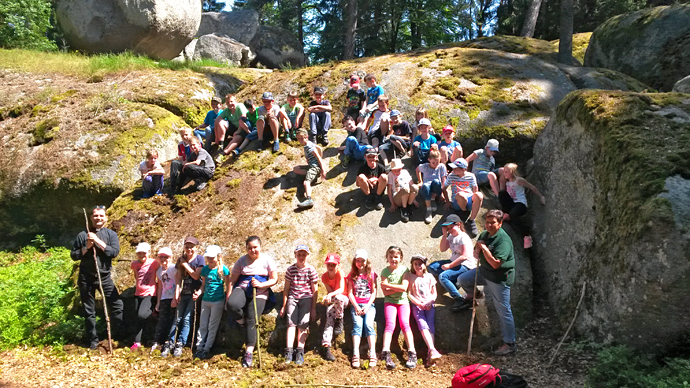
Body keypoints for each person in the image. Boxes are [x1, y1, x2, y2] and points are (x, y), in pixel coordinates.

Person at [456, 209, 517, 356]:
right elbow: (477, 256)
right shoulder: (484, 235)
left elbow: (496, 264)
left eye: (493, 223)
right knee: (463, 279)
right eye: (487, 222)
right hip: (484, 272)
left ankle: (510, 343)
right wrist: (478, 250)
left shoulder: (504, 241)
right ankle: (474, 296)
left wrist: (484, 249)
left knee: (503, 310)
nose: (489, 225)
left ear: (500, 224)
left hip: (499, 278)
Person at [70, 206, 123, 350]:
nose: (98, 218)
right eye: (95, 216)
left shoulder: (111, 234)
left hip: (104, 277)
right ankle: (93, 340)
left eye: (101, 216)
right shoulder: (82, 235)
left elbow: (114, 252)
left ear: (105, 218)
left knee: (117, 306)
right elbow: (74, 255)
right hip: (86, 278)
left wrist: (98, 242)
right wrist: (86, 247)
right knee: (89, 311)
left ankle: (114, 336)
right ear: (91, 218)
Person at [226, 236, 278, 368]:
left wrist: (262, 284)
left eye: (255, 247)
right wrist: (228, 296)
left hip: (260, 291)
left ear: (260, 247)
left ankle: (249, 351)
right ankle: (241, 323)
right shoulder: (242, 260)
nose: (252, 250)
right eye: (249, 248)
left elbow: (274, 279)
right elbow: (232, 280)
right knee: (232, 305)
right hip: (243, 287)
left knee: (252, 317)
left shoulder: (267, 260)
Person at [427, 214, 476, 312]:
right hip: (454, 261)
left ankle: (459, 299)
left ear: (458, 224)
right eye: (447, 228)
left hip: (465, 265)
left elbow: (464, 256)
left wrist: (450, 266)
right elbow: (442, 249)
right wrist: (445, 235)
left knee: (442, 276)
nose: (449, 230)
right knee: (432, 267)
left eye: (451, 227)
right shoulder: (450, 237)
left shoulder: (463, 237)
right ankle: (454, 282)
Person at [166, 236, 205, 357]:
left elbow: (196, 276)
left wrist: (185, 264)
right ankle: (170, 341)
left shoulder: (200, 259)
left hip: (194, 293)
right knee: (177, 318)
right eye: (187, 247)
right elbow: (178, 278)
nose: (189, 249)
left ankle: (181, 342)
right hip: (184, 292)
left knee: (187, 319)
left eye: (191, 247)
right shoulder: (180, 260)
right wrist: (176, 294)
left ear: (196, 248)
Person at [280, 244, 319, 365]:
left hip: (306, 298)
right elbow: (286, 289)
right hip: (293, 298)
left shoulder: (311, 270)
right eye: (299, 255)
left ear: (307, 255)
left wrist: (313, 308)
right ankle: (289, 351)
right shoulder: (290, 269)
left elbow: (315, 290)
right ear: (295, 255)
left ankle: (300, 351)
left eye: (303, 255)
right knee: (291, 324)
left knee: (303, 324)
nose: (301, 257)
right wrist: (284, 305)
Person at [380, 246, 417, 369]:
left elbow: (404, 288)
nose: (393, 259)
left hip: (403, 302)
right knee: (390, 324)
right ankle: (385, 351)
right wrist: (396, 288)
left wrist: (389, 286)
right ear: (387, 258)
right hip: (389, 302)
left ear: (400, 258)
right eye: (391, 257)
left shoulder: (404, 270)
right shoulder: (385, 272)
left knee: (405, 324)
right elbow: (385, 293)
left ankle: (412, 352)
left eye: (396, 257)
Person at [499, 163, 546, 249]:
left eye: (507, 172)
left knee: (513, 214)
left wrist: (541, 197)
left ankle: (527, 236)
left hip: (521, 205)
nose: (505, 174)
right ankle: (506, 214)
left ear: (513, 172)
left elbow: (532, 187)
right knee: (501, 193)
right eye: (504, 172)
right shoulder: (507, 183)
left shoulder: (518, 180)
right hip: (512, 204)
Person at [194, 245, 229, 360]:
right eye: (208, 257)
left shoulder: (223, 269)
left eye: (212, 257)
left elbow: (229, 285)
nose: (209, 259)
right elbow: (203, 285)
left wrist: (227, 299)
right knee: (203, 324)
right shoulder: (205, 269)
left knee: (212, 325)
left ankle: (207, 348)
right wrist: (199, 293)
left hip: (218, 301)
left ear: (218, 257)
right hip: (205, 300)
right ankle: (199, 347)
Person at [407, 254, 442, 367]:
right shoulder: (411, 277)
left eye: (420, 264)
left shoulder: (430, 277)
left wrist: (431, 301)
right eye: (415, 264)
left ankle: (430, 355)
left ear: (424, 265)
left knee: (430, 326)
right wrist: (418, 303)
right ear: (412, 265)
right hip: (417, 306)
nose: (418, 266)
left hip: (429, 305)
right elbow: (409, 294)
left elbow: (434, 293)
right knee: (422, 325)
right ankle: (432, 349)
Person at [346, 249, 378, 369]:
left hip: (369, 306)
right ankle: (355, 353)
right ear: (355, 262)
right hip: (356, 305)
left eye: (362, 260)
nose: (360, 263)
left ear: (366, 261)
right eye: (358, 261)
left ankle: (373, 353)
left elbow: (374, 292)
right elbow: (350, 292)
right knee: (357, 325)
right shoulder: (352, 275)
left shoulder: (371, 274)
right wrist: (356, 306)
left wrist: (367, 306)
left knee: (369, 325)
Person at [443, 158, 483, 237]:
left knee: (479, 195)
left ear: (463, 169)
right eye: (453, 168)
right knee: (461, 195)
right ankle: (464, 213)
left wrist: (476, 201)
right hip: (457, 201)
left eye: (456, 169)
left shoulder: (471, 176)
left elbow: (475, 189)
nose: (453, 170)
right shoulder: (451, 176)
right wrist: (447, 201)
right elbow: (444, 188)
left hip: (468, 198)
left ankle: (471, 220)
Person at [130, 242, 158, 351]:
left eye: (144, 253)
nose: (142, 256)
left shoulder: (154, 263)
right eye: (139, 253)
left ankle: (154, 314)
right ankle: (137, 342)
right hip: (138, 293)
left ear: (149, 252)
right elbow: (136, 277)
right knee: (137, 318)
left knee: (142, 315)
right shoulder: (134, 264)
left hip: (149, 293)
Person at [320, 253, 348, 361]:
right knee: (329, 313)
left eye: (333, 265)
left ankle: (339, 319)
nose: (331, 267)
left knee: (339, 298)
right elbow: (330, 291)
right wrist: (327, 298)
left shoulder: (340, 273)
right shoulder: (324, 277)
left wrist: (330, 295)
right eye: (329, 265)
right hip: (335, 300)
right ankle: (326, 345)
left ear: (338, 265)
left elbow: (341, 290)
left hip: (344, 299)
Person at [151, 247, 177, 355]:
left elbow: (180, 283)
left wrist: (176, 297)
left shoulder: (174, 268)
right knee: (162, 320)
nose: (163, 259)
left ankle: (168, 342)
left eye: (166, 257)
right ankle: (157, 341)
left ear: (170, 257)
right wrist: (158, 302)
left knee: (172, 320)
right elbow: (160, 287)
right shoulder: (159, 271)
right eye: (161, 257)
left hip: (174, 298)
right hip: (164, 298)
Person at [293, 129, 327, 209]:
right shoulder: (308, 144)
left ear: (306, 137)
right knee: (295, 169)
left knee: (306, 182)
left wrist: (322, 169)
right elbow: (319, 148)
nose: (300, 140)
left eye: (302, 138)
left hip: (314, 167)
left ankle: (309, 199)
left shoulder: (309, 146)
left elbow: (318, 157)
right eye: (298, 138)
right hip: (311, 166)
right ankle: (313, 175)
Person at [415, 149, 448, 224]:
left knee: (437, 181)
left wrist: (443, 193)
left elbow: (444, 181)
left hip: (436, 189)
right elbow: (417, 169)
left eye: (437, 162)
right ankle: (428, 209)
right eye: (433, 162)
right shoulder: (425, 166)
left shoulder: (441, 166)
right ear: (429, 160)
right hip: (426, 189)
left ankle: (433, 199)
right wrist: (420, 181)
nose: (436, 164)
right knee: (426, 185)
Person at [387, 158, 418, 223]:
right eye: (395, 170)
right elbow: (389, 190)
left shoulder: (405, 172)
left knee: (415, 187)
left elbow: (412, 184)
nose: (397, 172)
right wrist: (392, 203)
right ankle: (404, 209)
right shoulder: (390, 174)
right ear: (392, 170)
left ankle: (409, 205)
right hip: (398, 197)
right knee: (405, 189)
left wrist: (414, 200)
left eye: (399, 170)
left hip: (407, 195)